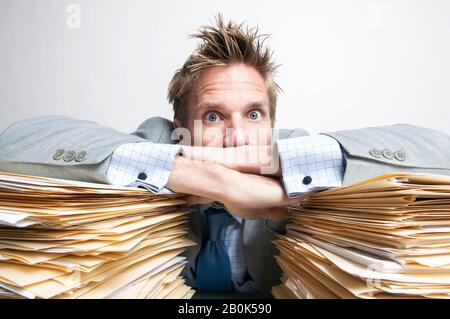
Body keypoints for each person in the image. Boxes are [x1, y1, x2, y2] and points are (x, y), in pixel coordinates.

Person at [1, 15, 450, 299]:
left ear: (272, 123)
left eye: (254, 114)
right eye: (213, 116)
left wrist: (279, 172)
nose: (238, 136)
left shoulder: (296, 155)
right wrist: (212, 182)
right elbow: (17, 143)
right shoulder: (155, 144)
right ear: (181, 128)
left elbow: (438, 153)